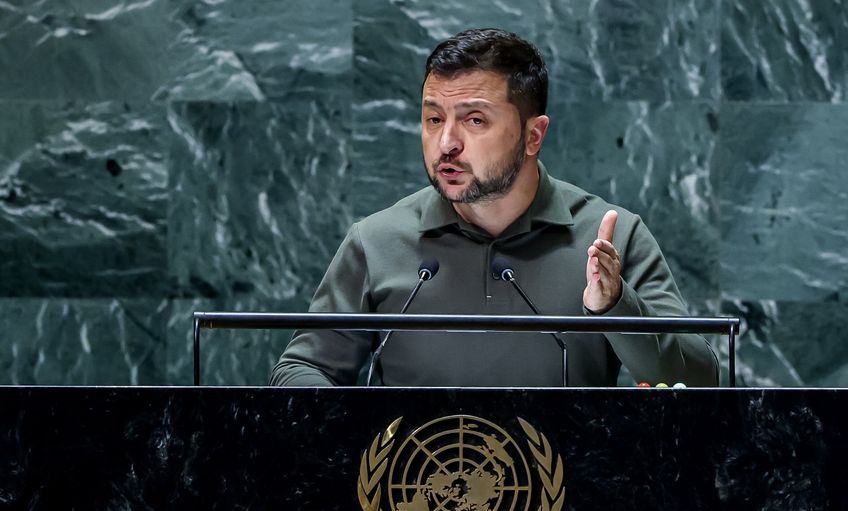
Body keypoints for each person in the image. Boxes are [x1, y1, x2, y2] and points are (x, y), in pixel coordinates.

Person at [270, 28, 718, 387]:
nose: (446, 143)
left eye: (474, 120)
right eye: (433, 119)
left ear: (533, 136)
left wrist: (616, 305)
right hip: (407, 492)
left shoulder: (609, 238)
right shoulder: (377, 241)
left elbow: (700, 381)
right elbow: (300, 371)